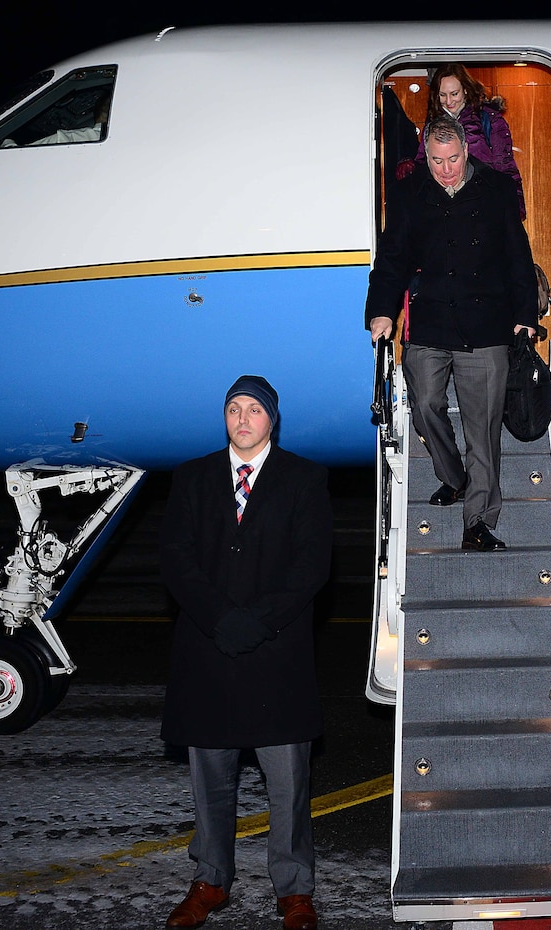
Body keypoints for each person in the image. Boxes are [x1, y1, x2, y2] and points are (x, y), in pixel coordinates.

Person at [160, 375, 333, 930]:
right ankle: (210, 882)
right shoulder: (191, 478)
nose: (242, 418)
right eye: (234, 408)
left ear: (272, 419)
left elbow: (312, 567)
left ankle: (294, 892)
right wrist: (221, 620)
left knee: (288, 790)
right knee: (210, 785)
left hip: (276, 658)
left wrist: (255, 622)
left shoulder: (305, 479)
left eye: (254, 409)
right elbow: (176, 560)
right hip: (208, 656)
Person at [366, 115, 537, 552]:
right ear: (426, 154)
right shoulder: (408, 195)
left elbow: (518, 256)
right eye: (437, 160)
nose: (446, 169)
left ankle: (477, 522)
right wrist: (382, 312)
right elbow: (392, 260)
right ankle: (455, 478)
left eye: (453, 159)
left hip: (486, 324)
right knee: (424, 406)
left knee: (482, 431)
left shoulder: (496, 189)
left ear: (466, 149)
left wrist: (525, 315)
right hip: (431, 320)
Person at [397, 64, 527, 220]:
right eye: (442, 95)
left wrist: (516, 207)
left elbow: (505, 165)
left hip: (483, 202)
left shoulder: (488, 118)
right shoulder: (432, 124)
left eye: (454, 93)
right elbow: (424, 164)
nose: (449, 101)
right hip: (445, 206)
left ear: (465, 89)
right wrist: (409, 167)